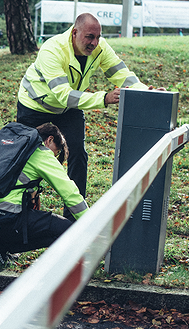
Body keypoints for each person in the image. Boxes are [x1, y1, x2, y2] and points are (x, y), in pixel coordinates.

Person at [16, 13, 164, 216]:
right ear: (75, 33)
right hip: (35, 106)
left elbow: (122, 75)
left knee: (77, 153)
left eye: (98, 37)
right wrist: (104, 99)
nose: (94, 43)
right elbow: (63, 95)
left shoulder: (100, 48)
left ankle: (73, 218)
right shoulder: (53, 49)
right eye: (89, 37)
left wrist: (146, 91)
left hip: (68, 109)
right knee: (24, 155)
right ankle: (20, 206)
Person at [0, 123, 88, 266]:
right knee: (64, 229)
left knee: (26, 216)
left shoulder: (14, 146)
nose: (54, 155)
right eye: (57, 151)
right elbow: (70, 193)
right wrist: (91, 223)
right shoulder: (42, 153)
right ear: (50, 140)